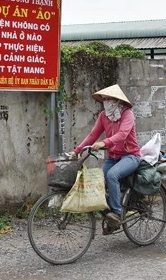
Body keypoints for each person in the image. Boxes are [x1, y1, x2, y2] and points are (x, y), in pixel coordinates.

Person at [69, 84, 141, 231]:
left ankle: (117, 213)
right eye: (105, 99)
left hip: (130, 156)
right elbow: (93, 135)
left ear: (117, 101)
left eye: (110, 99)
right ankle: (109, 215)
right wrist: (76, 151)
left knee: (112, 175)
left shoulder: (127, 114)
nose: (107, 102)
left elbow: (122, 135)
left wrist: (103, 142)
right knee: (98, 182)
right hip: (113, 157)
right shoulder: (104, 116)